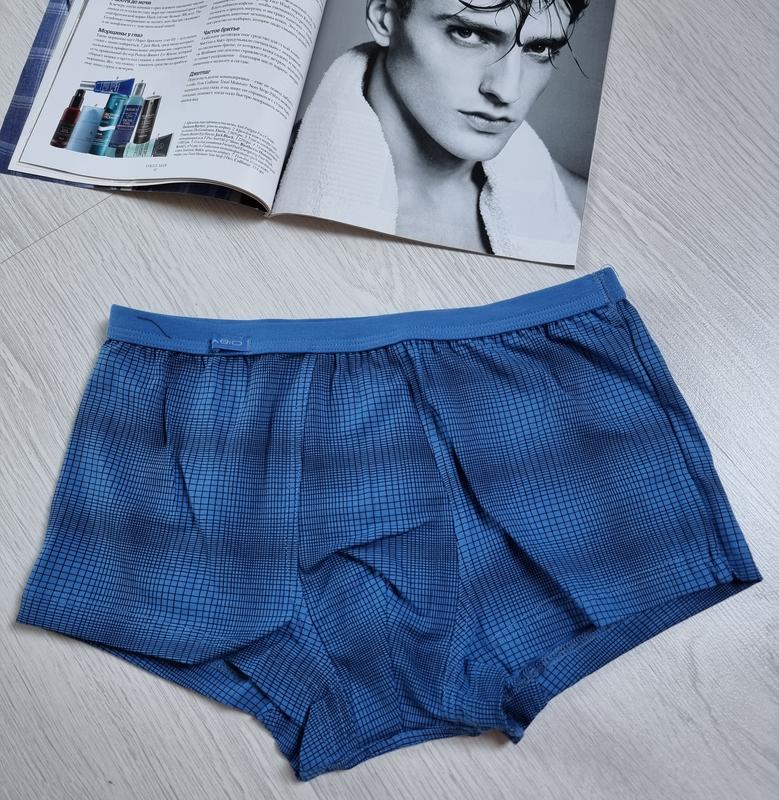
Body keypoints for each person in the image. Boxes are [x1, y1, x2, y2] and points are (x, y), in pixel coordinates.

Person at [274, 0, 590, 263]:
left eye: (539, 48)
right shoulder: (268, 190)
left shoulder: (578, 214)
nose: (508, 91)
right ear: (384, 16)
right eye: (467, 33)